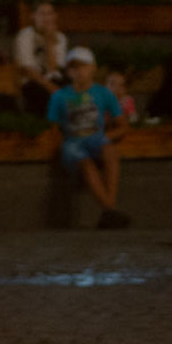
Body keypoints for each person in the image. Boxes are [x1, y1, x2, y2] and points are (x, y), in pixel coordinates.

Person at [46, 46, 129, 229]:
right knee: (85, 163)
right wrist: (58, 151)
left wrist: (106, 136)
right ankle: (111, 209)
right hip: (72, 143)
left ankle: (109, 210)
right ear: (68, 71)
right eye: (74, 68)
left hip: (95, 138)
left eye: (83, 66)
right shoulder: (59, 96)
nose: (79, 72)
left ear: (93, 68)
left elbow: (122, 125)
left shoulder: (103, 93)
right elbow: (54, 129)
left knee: (110, 150)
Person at [12, 1, 69, 115]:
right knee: (43, 94)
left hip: (53, 78)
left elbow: (54, 70)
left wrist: (49, 41)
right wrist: (52, 88)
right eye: (42, 14)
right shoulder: (25, 36)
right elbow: (28, 71)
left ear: (55, 16)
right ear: (33, 16)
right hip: (32, 81)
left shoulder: (61, 37)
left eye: (49, 14)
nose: (46, 18)